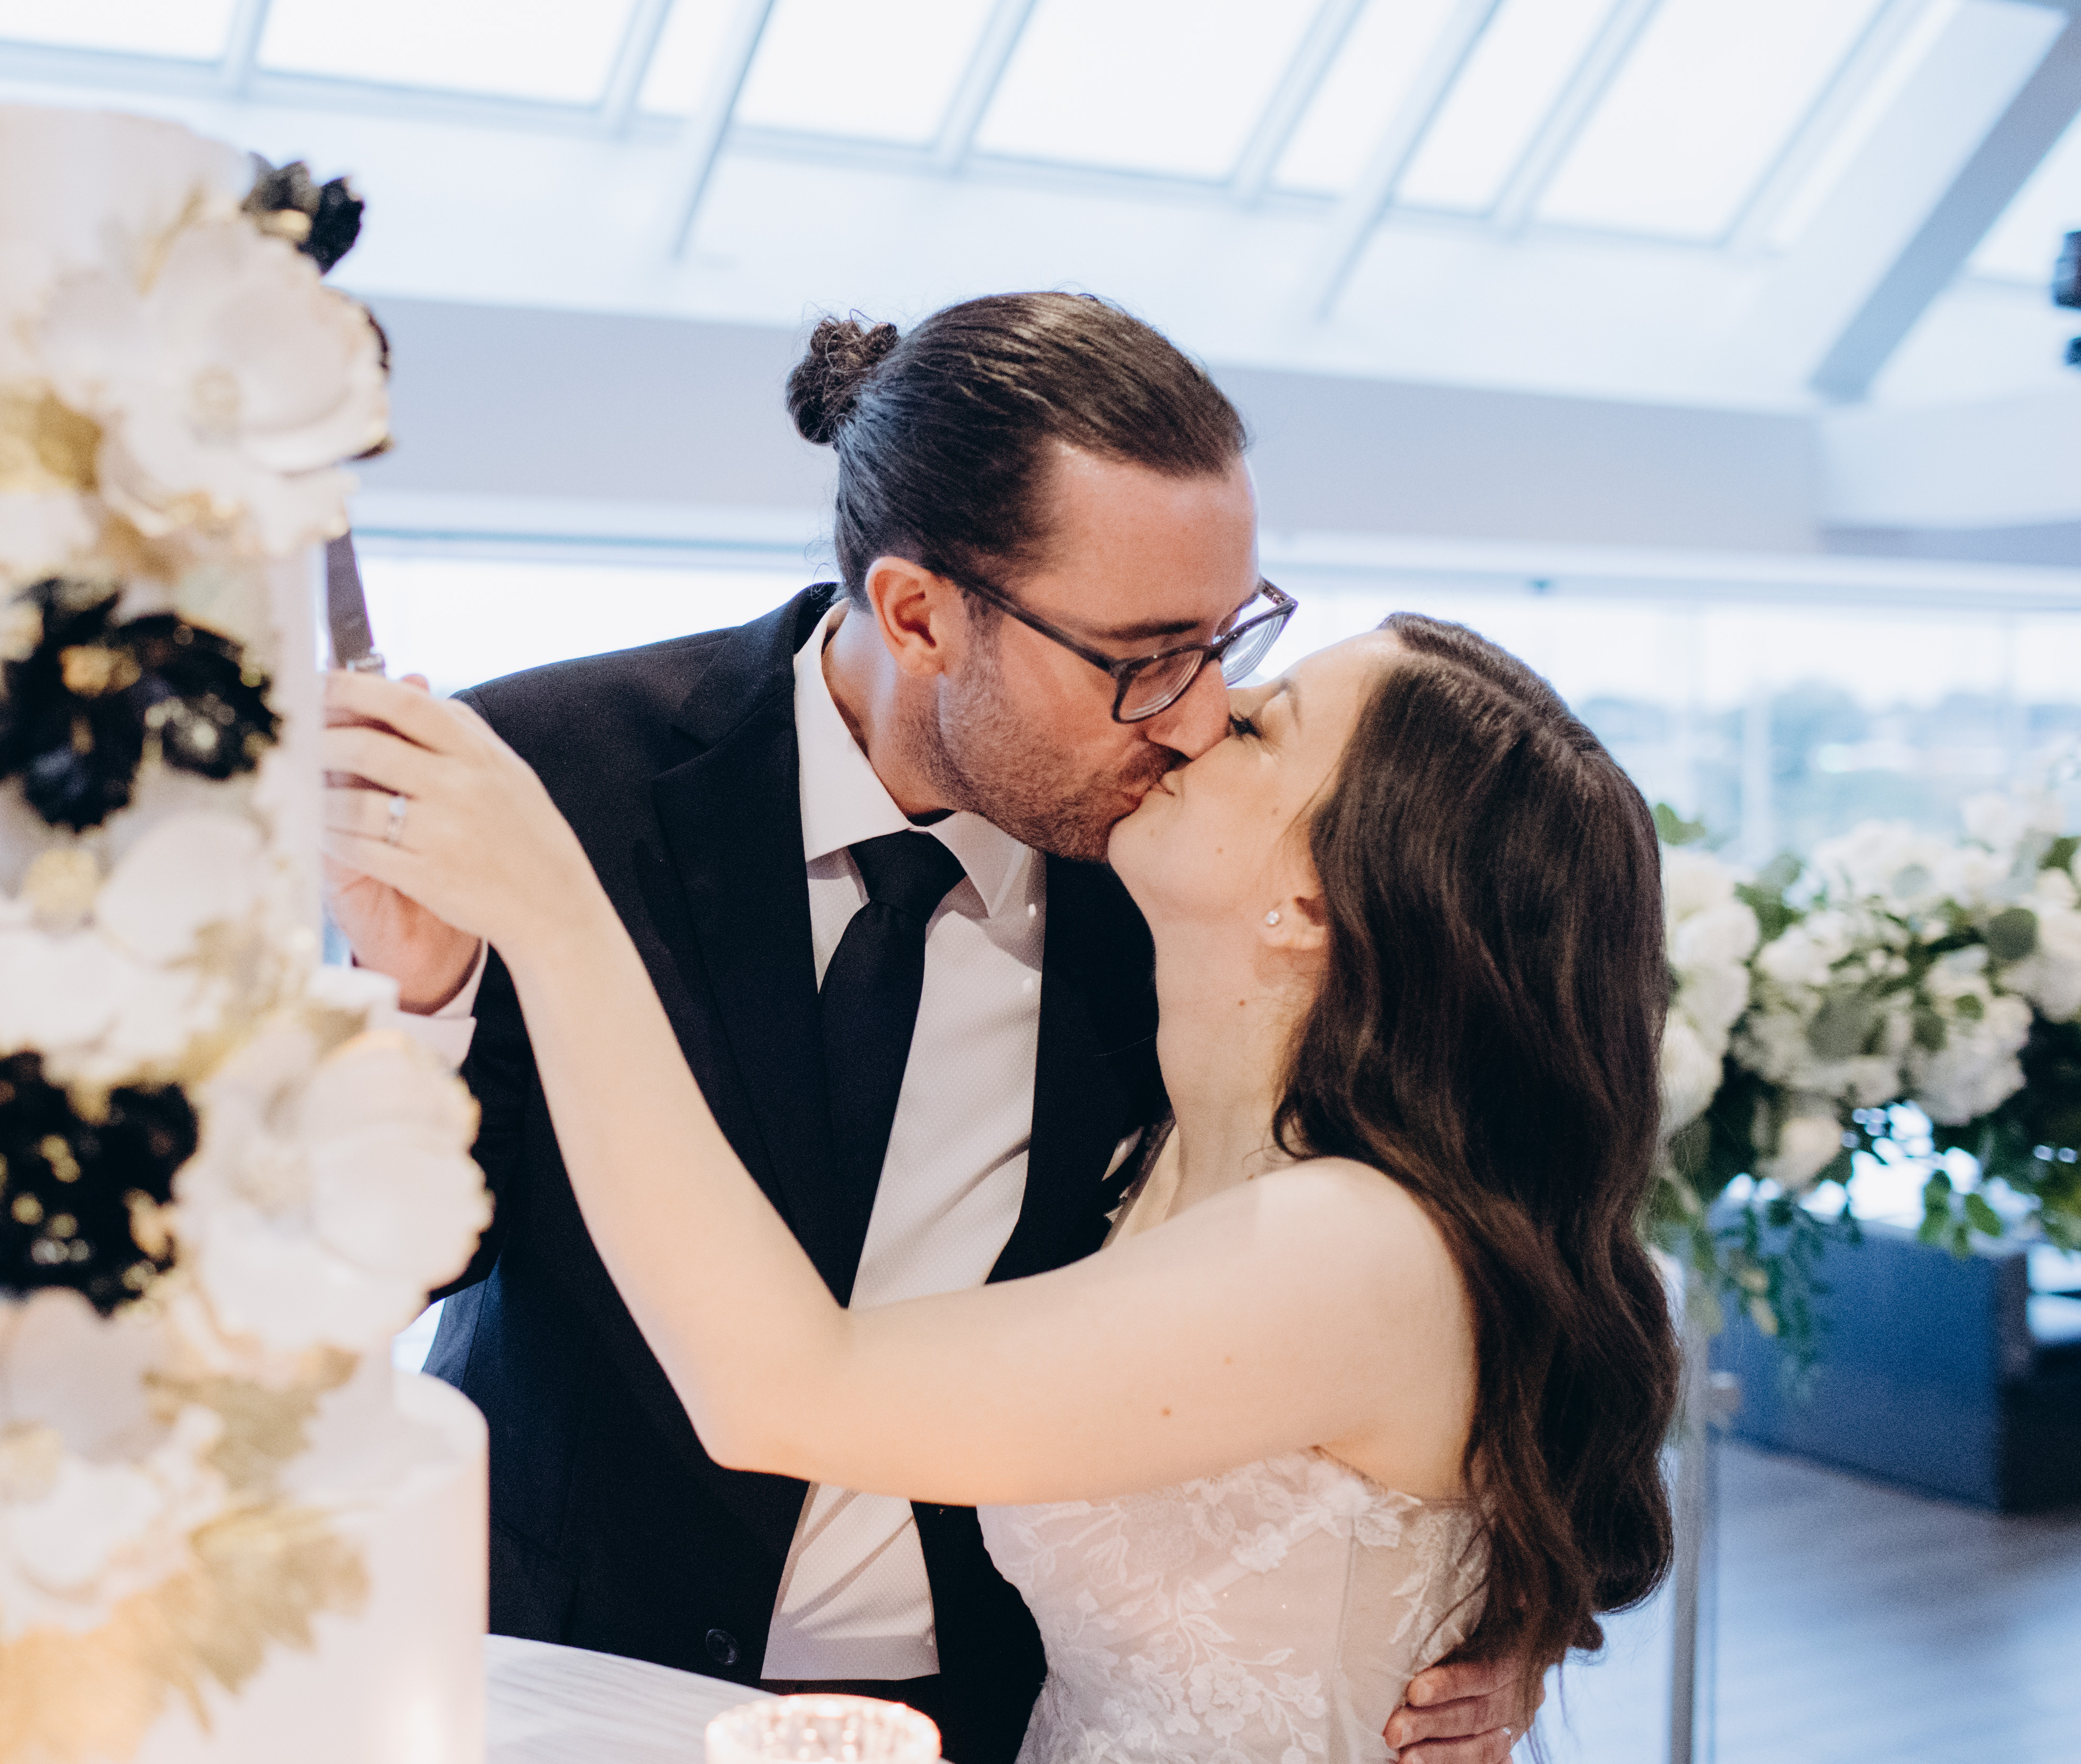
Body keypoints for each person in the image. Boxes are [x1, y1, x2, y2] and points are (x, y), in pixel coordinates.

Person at [325, 295, 1555, 1762]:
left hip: (975, 1709)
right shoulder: (551, 780)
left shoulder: (1174, 884)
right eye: (1145, 654)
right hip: (551, 1669)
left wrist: (1489, 1598)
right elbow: (364, 1276)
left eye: (1226, 640)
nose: (1195, 716)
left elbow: (1485, 1240)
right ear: (917, 615)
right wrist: (420, 1007)